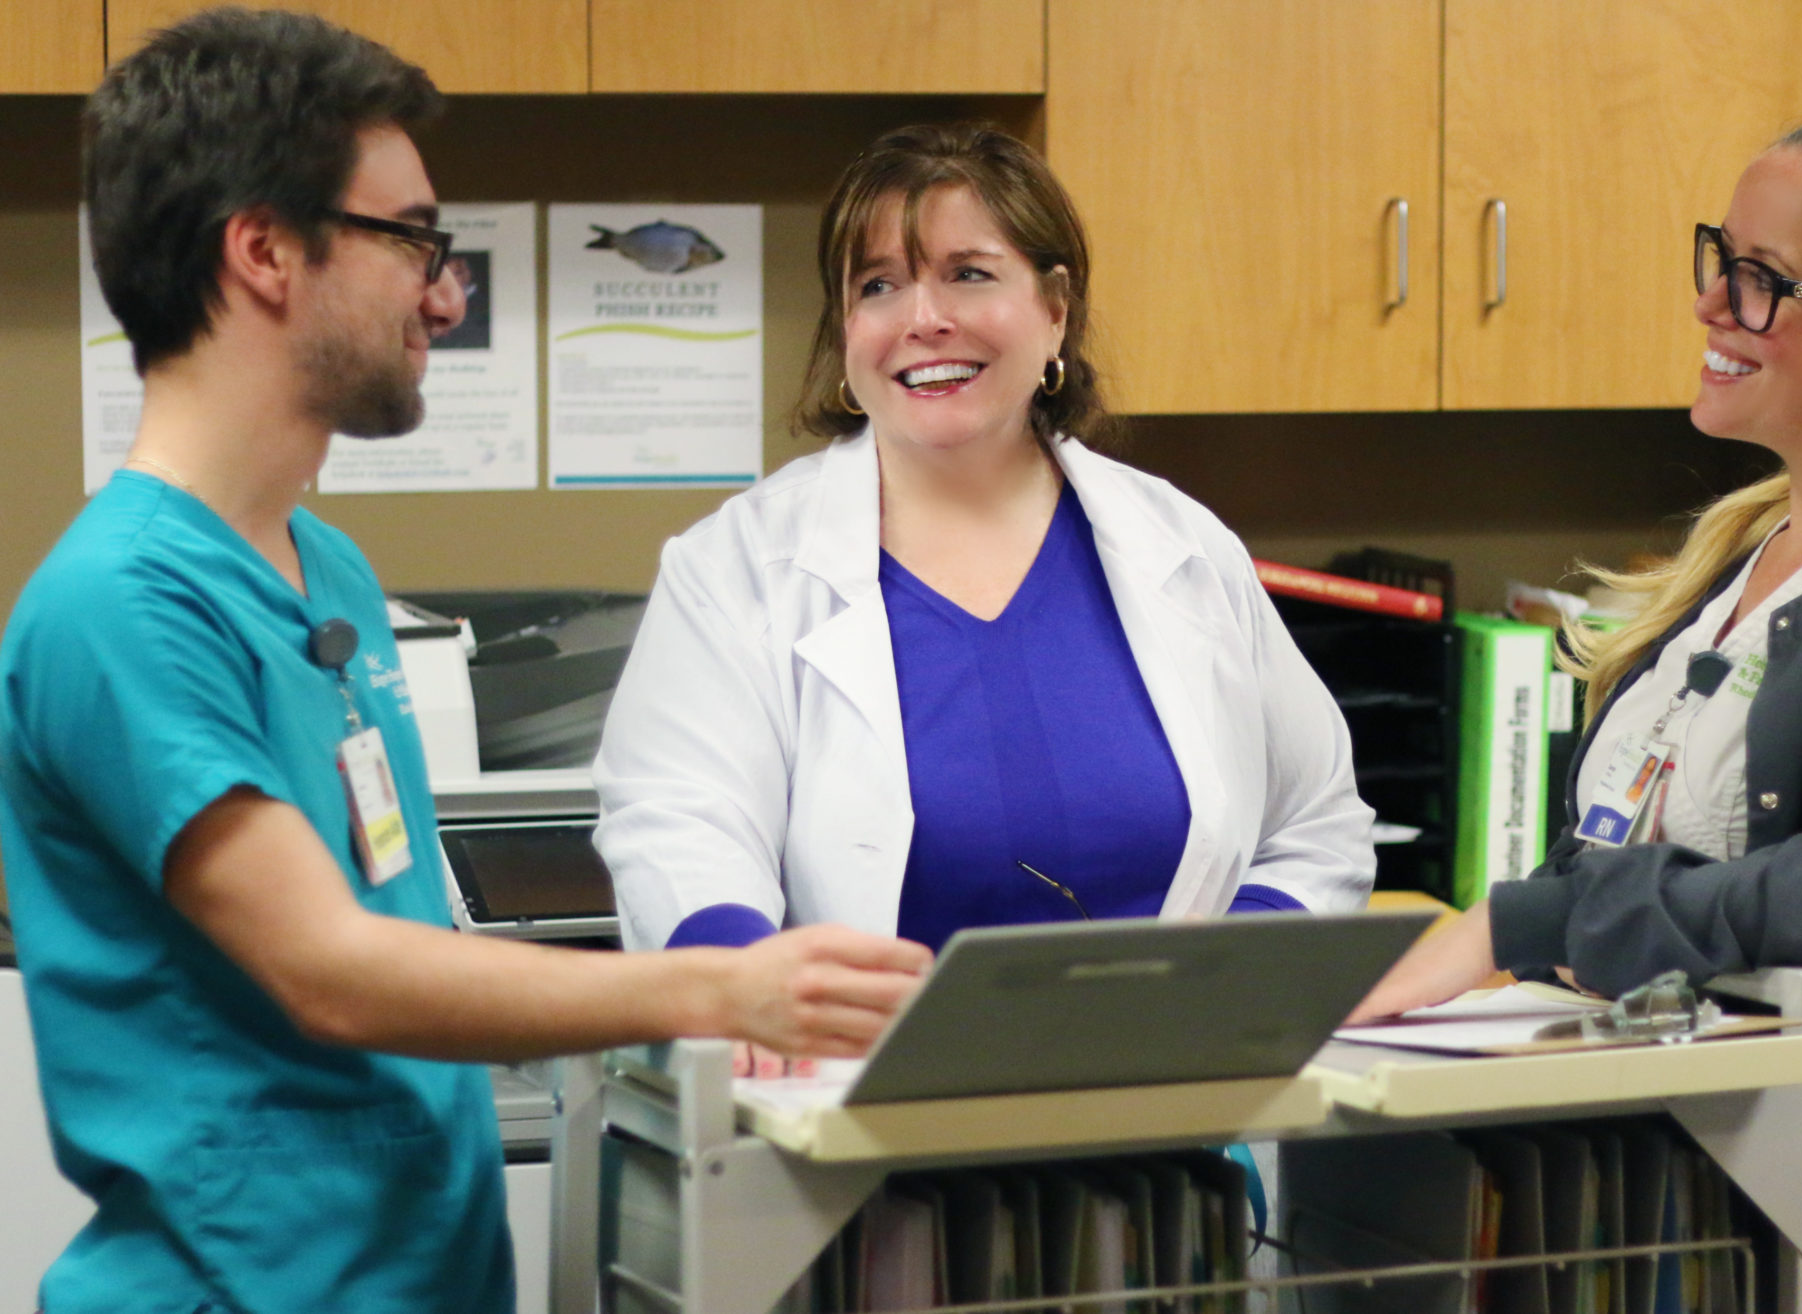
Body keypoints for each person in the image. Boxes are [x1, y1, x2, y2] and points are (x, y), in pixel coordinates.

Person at [0, 11, 928, 1311]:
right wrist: (721, 983)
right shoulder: (120, 606)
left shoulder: (326, 573)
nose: (445, 290)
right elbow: (330, 967)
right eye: (413, 241)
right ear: (264, 249)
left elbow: (399, 917)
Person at [1356, 109, 1802, 1314]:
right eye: (1716, 259)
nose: (1712, 305)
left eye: (1762, 281)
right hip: (1670, 1190)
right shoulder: (1743, 555)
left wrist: (1529, 922)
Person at [594, 123, 1375, 969]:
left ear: (1055, 308)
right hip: (860, 1080)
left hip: (1180, 1075)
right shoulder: (737, 570)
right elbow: (679, 828)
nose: (923, 319)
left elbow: (1315, 824)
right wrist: (741, 984)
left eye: (968, 274)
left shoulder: (1183, 548)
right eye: (879, 285)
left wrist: (1220, 977)